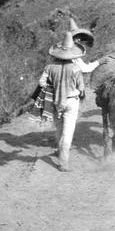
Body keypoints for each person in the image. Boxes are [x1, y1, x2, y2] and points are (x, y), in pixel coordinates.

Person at [37, 31, 86, 172]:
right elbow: (81, 88)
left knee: (58, 128)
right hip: (71, 101)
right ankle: (63, 163)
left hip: (54, 101)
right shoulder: (76, 68)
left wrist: (55, 87)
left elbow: (41, 83)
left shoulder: (49, 67)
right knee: (68, 132)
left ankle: (59, 151)